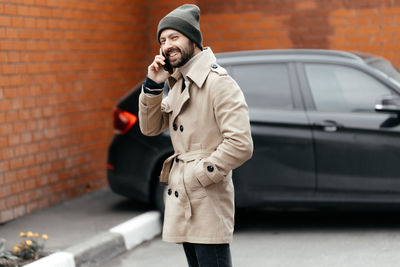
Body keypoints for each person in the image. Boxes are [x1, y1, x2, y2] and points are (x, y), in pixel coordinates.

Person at [138, 4, 253, 267]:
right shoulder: (179, 83)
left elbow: (240, 143)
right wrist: (154, 85)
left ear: (193, 39)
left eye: (174, 37)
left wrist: (201, 175)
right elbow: (150, 127)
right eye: (163, 40)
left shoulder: (217, 82)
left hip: (207, 196)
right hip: (185, 196)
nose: (167, 45)